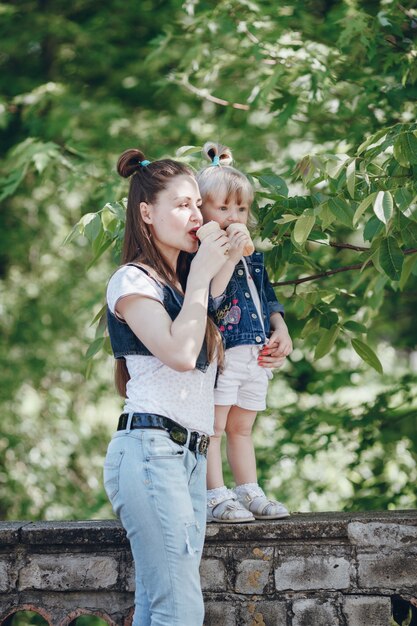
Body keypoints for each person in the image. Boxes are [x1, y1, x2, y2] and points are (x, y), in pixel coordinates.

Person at [103, 148, 230, 626]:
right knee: (178, 610)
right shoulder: (132, 281)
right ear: (146, 214)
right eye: (182, 205)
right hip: (152, 451)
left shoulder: (182, 290)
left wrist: (276, 328)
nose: (196, 215)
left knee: (159, 609)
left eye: (198, 204)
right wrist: (200, 274)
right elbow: (178, 355)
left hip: (189, 457)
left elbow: (226, 330)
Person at [196, 141, 293, 523]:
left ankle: (248, 489)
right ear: (201, 209)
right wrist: (231, 253)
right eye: (223, 207)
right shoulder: (204, 252)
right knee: (215, 427)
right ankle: (214, 494)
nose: (234, 215)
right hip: (224, 352)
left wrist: (281, 328)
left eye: (241, 208)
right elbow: (214, 298)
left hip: (256, 352)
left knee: (243, 426)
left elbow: (267, 297)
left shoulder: (254, 257)